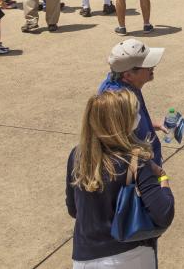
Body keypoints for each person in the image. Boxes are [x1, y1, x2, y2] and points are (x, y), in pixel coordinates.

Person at [67, 89, 174, 268]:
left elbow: (73, 209)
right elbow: (164, 213)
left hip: (84, 258)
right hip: (129, 256)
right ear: (122, 122)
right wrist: (163, 178)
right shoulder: (136, 160)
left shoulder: (77, 156)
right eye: (134, 113)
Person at [97, 39, 166, 165]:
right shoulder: (119, 101)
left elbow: (130, 125)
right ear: (128, 75)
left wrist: (153, 125)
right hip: (141, 173)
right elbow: (121, 149)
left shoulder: (128, 85)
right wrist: (152, 171)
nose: (153, 67)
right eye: (147, 66)